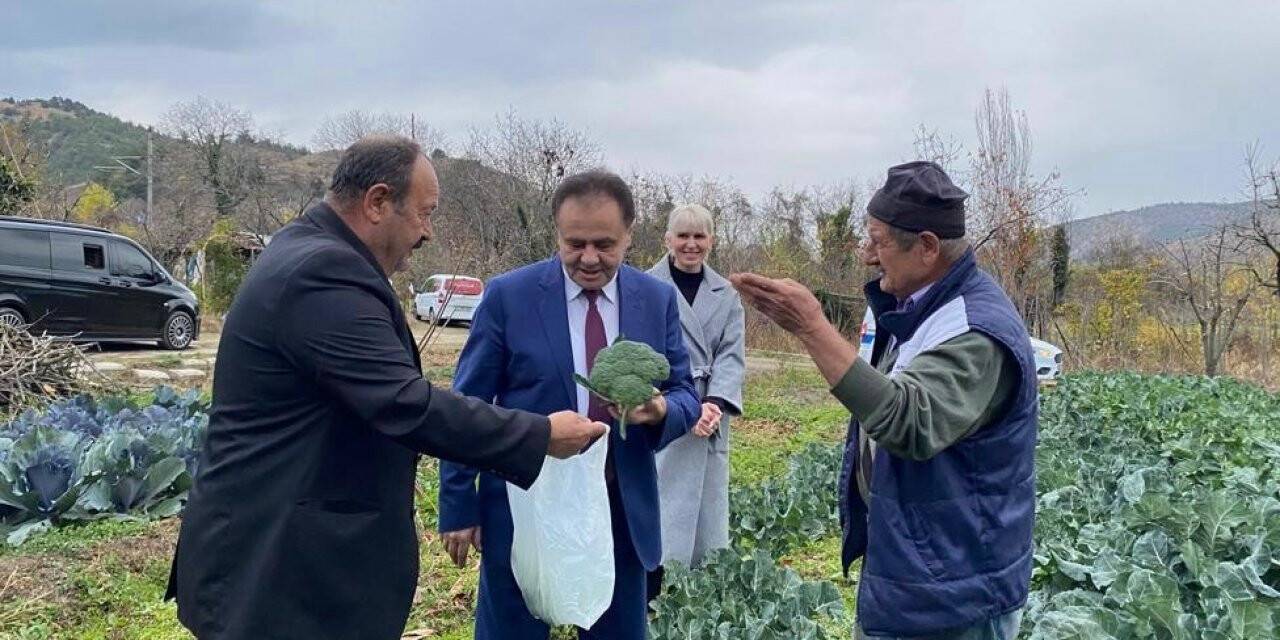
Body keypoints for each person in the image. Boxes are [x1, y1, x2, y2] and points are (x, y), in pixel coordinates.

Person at [165, 136, 606, 640]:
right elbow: (404, 404)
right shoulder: (321, 273)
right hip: (278, 567)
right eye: (424, 213)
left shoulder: (310, 251)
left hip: (283, 555)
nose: (427, 232)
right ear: (377, 202)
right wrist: (540, 435)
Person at [731, 161, 1037, 640]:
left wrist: (812, 327)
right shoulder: (919, 306)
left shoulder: (975, 331)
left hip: (954, 597)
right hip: (917, 574)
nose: (867, 255)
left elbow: (908, 420)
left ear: (928, 247)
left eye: (877, 241)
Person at [437, 170, 701, 640]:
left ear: (629, 234)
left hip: (618, 506)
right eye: (575, 243)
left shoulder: (655, 299)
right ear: (557, 233)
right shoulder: (509, 297)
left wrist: (661, 410)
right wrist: (459, 504)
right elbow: (467, 405)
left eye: (605, 244)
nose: (589, 258)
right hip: (526, 504)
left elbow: (686, 394)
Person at [645, 203, 745, 596]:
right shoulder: (645, 286)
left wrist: (714, 403)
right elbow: (641, 349)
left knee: (707, 506)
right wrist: (677, 403)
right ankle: (657, 582)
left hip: (711, 412)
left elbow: (732, 354)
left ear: (711, 241)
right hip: (664, 405)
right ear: (667, 240)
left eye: (699, 236)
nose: (691, 244)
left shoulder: (727, 294)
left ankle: (699, 590)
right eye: (683, 236)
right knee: (662, 497)